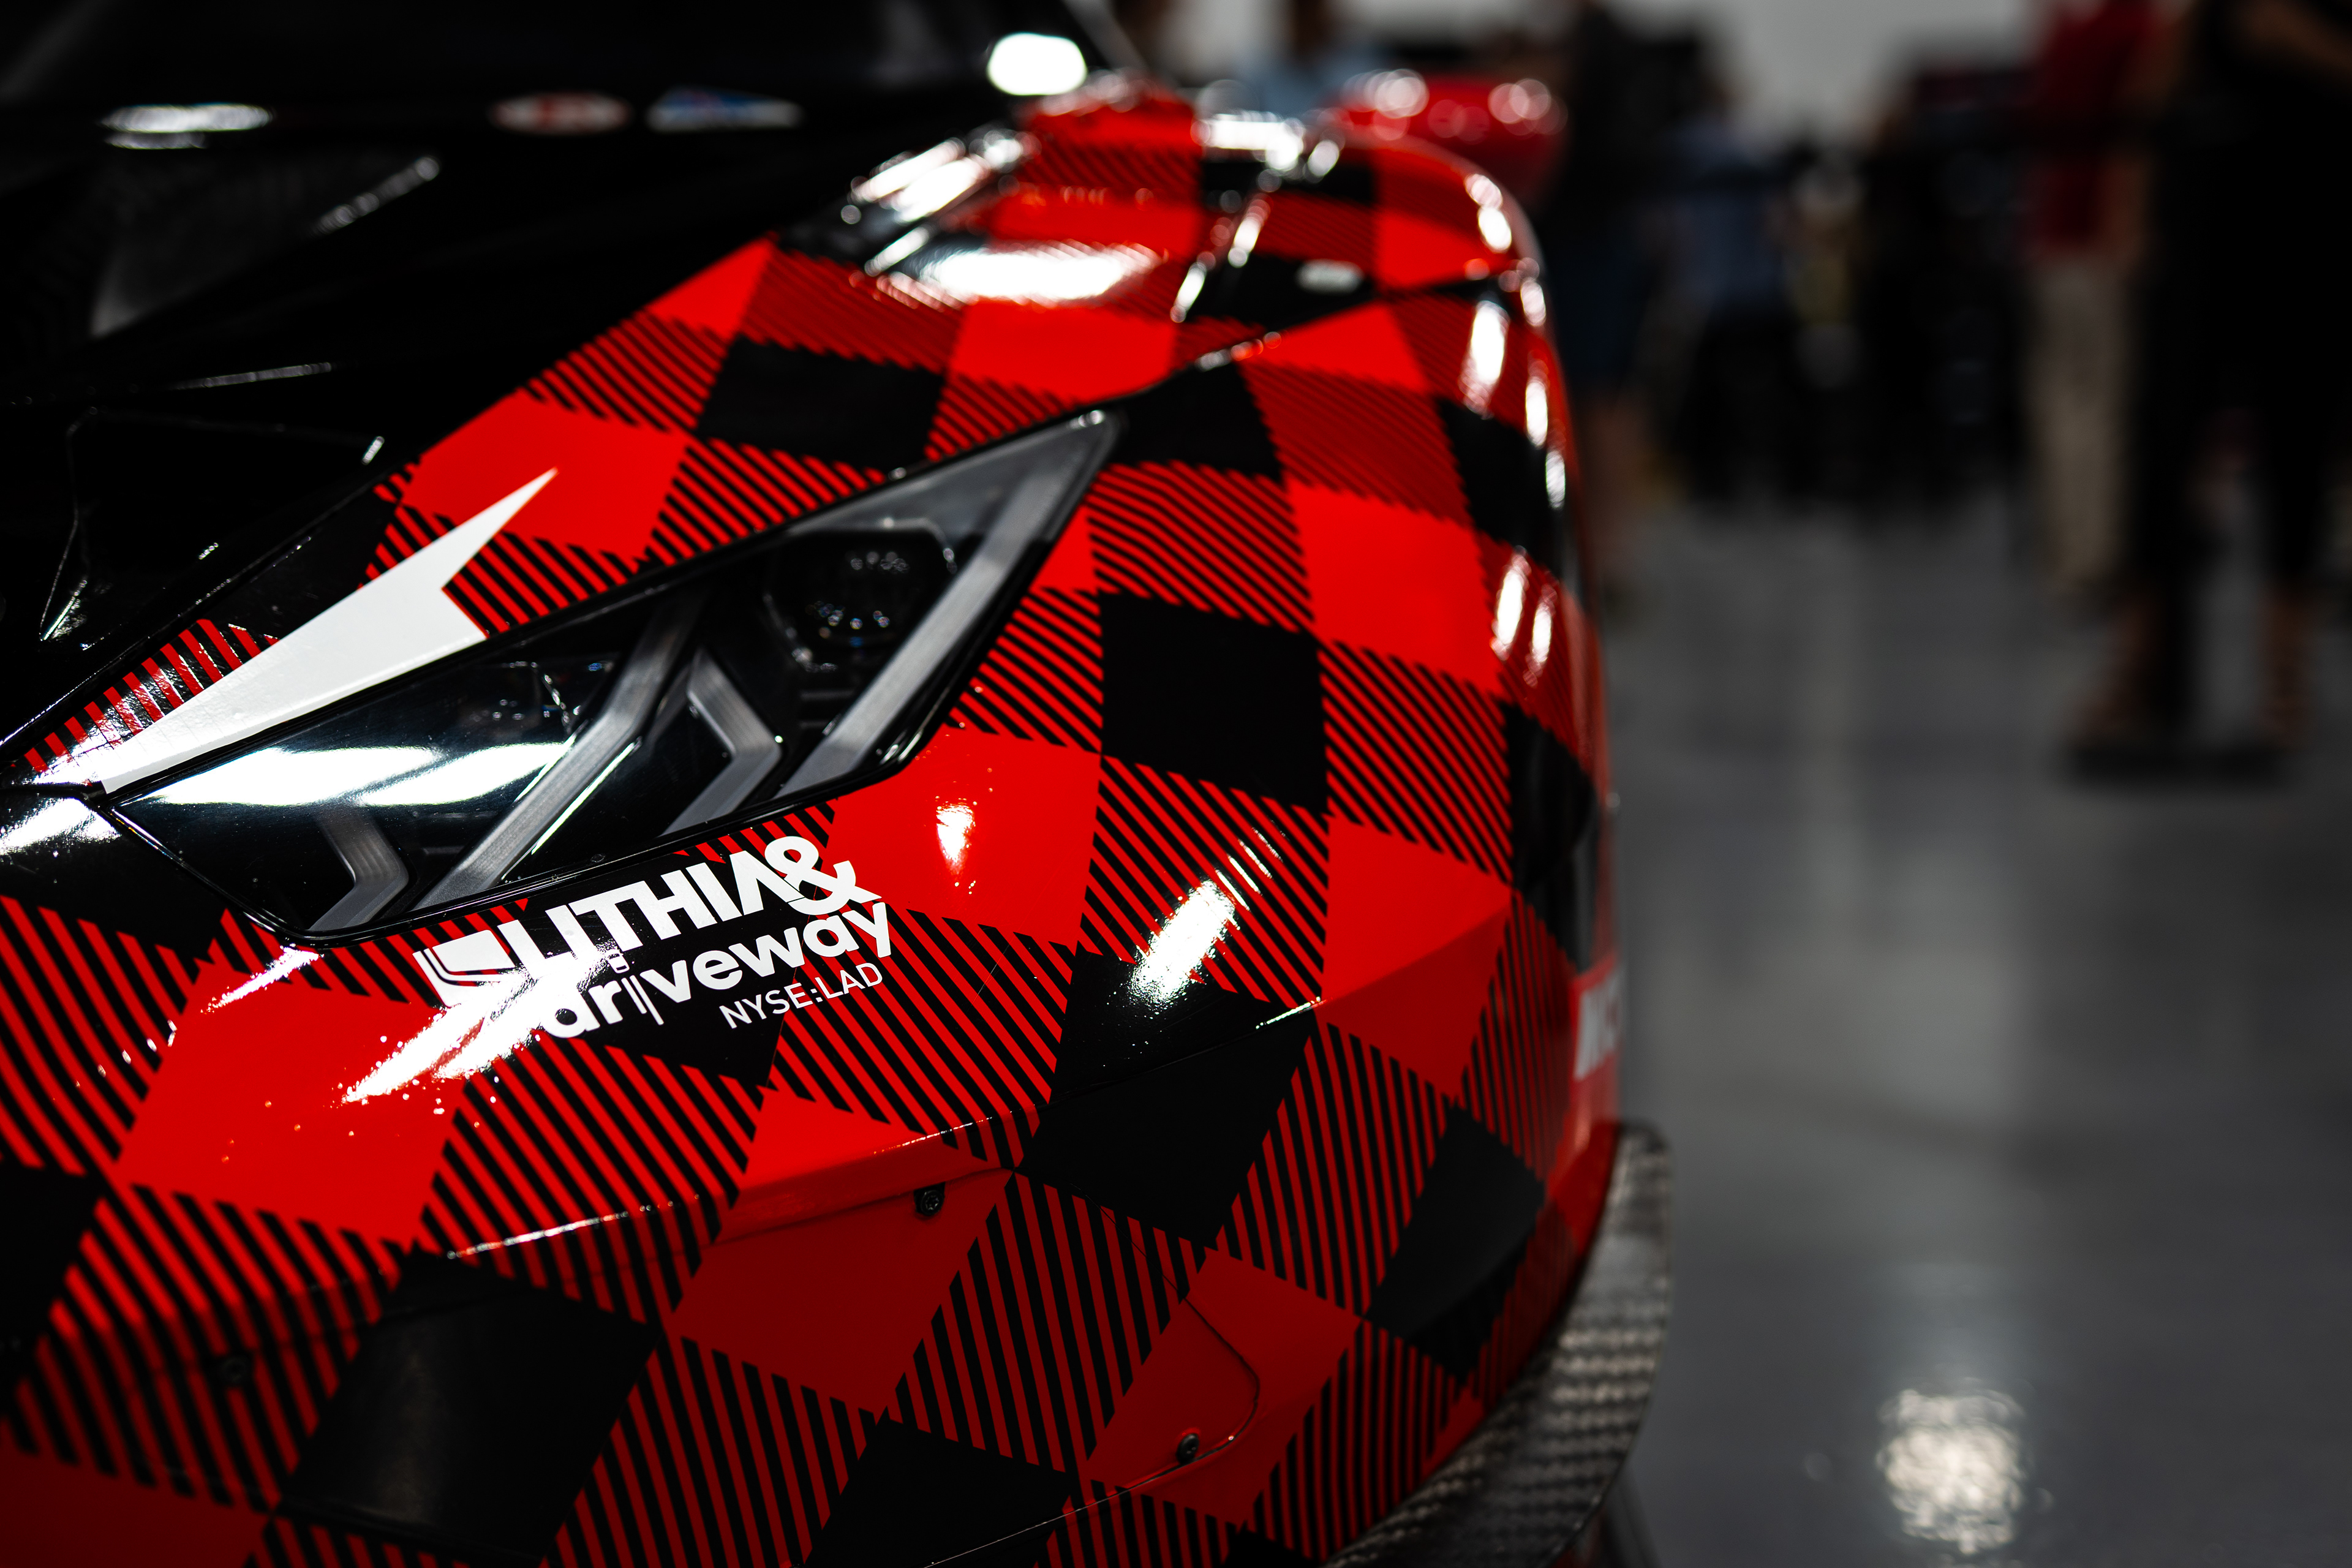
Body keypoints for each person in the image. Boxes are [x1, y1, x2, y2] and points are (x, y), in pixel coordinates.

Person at [2074, 0, 2352, 764]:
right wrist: (2129, 210)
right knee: (2160, 448)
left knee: (2297, 454)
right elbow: (2156, 83)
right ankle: (2140, 670)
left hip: (2313, 228)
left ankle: (2285, 681)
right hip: (2201, 228)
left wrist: (2303, 42)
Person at [1536, 0, 1683, 597]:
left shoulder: (1596, 49)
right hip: (1597, 242)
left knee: (1596, 396)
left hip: (1590, 245)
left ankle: (1602, 550)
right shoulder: (1615, 48)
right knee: (1609, 395)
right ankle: (1604, 548)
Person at [2021, 0, 2163, 597]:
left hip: (2054, 238)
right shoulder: (2135, 28)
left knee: (2065, 404)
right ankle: (2102, 552)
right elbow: (2137, 134)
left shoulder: (2066, 31)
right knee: (2105, 404)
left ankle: (2074, 552)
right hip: (2096, 239)